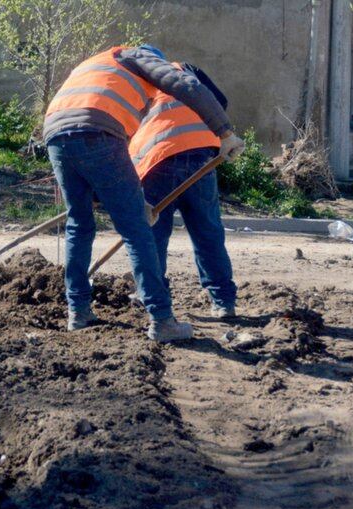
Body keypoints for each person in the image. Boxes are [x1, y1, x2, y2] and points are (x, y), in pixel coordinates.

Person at [43, 44, 245, 341]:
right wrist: (225, 133)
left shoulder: (97, 66)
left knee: (79, 224)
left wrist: (123, 198)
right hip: (99, 131)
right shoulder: (135, 56)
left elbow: (104, 162)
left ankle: (78, 311)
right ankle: (162, 319)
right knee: (137, 229)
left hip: (56, 132)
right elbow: (184, 83)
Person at [130, 55, 241, 319]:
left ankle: (152, 299)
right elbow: (219, 103)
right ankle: (223, 301)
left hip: (157, 161)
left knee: (153, 233)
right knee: (207, 231)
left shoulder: (136, 82)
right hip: (200, 156)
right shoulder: (187, 70)